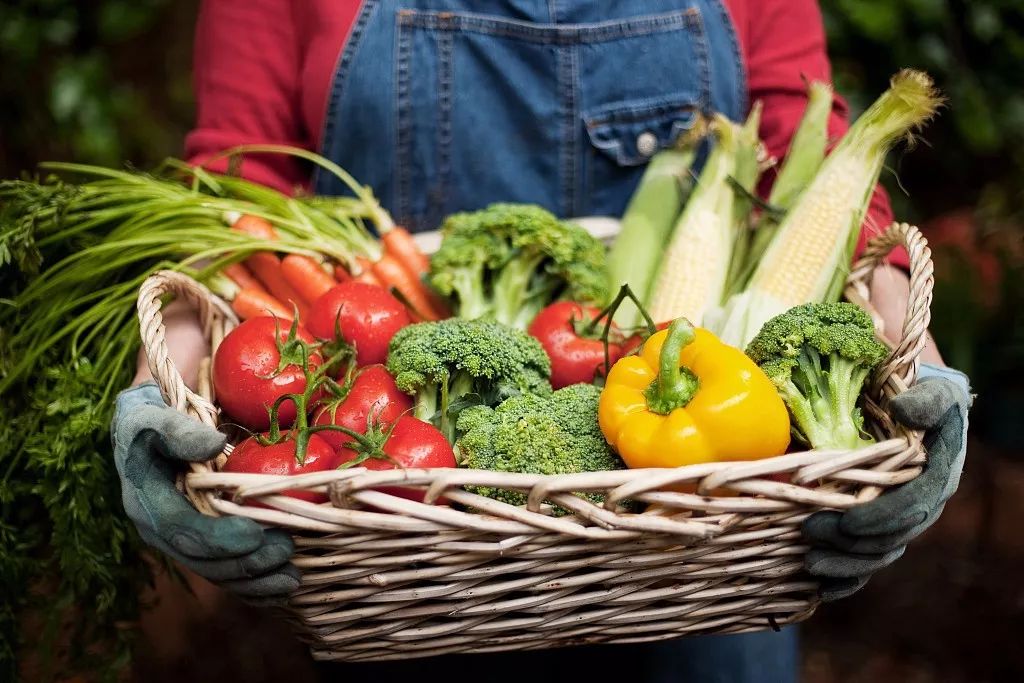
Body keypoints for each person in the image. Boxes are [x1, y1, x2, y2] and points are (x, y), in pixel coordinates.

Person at [111, 1, 973, 681]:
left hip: (707, 570)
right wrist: (172, 369)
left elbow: (796, 141)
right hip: (404, 564)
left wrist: (904, 334)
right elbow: (239, 173)